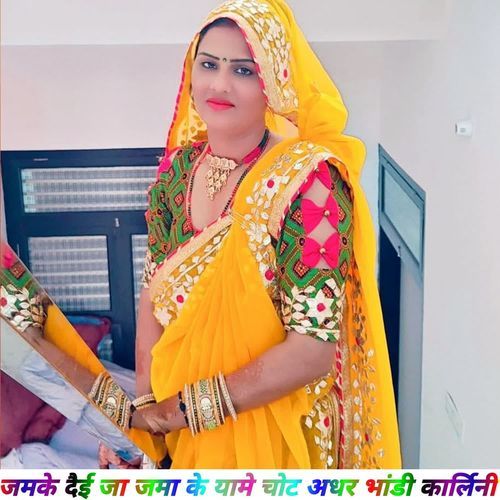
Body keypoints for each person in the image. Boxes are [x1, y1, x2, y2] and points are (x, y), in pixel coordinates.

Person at [125, 0, 401, 469]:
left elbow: (311, 349)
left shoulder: (308, 182)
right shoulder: (177, 171)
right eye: (208, 64)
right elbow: (153, 294)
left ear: (273, 82)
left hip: (276, 434)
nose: (219, 84)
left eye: (243, 70)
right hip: (184, 430)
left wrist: (177, 413)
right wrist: (143, 418)